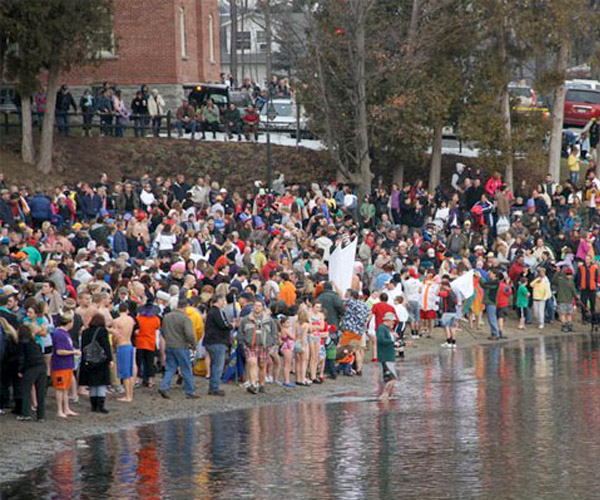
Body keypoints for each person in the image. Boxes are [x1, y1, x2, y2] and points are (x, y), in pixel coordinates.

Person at [158, 298, 198, 399]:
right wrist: (194, 344)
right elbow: (190, 334)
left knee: (170, 368)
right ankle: (190, 392)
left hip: (169, 345)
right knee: (186, 369)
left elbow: (162, 331)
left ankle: (164, 386)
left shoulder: (167, 317)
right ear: (185, 307)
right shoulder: (185, 318)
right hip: (181, 346)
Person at [239, 299, 278, 394]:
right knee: (252, 362)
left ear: (262, 307)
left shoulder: (269, 320)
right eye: (255, 305)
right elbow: (241, 332)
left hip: (264, 345)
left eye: (259, 305)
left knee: (262, 365)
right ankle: (253, 384)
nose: (257, 307)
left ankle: (262, 384)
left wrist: (272, 343)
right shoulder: (246, 319)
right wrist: (242, 342)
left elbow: (274, 332)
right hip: (250, 345)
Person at [80, 313, 113, 414]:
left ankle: (93, 406)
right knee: (101, 383)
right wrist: (110, 359)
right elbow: (106, 346)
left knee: (92, 384)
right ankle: (100, 406)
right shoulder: (102, 331)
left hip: (88, 360)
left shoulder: (85, 332)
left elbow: (83, 347)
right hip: (100, 360)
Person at [50, 313, 80, 418]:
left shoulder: (65, 333)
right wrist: (73, 352)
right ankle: (59, 410)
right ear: (69, 322)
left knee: (65, 388)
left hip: (67, 365)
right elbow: (59, 351)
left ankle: (66, 408)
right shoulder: (59, 334)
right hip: (60, 366)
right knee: (60, 388)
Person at [16, 324, 46, 422]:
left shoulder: (22, 343)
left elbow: (21, 358)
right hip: (41, 365)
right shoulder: (35, 343)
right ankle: (41, 415)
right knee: (40, 392)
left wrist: (20, 370)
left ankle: (26, 413)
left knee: (26, 390)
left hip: (31, 368)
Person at [204, 294, 232, 396]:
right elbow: (223, 325)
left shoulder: (210, 311)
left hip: (210, 341)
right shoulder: (217, 311)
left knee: (214, 365)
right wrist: (232, 325)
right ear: (218, 301)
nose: (224, 302)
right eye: (223, 300)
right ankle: (214, 387)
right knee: (218, 365)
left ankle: (213, 386)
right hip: (217, 341)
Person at [110, 303, 135, 402]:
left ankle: (127, 396)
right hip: (129, 344)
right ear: (127, 310)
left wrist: (113, 345)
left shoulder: (116, 321)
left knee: (124, 373)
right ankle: (130, 394)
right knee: (129, 372)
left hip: (122, 345)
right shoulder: (131, 320)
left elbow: (115, 336)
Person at [376, 312, 398, 402]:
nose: (393, 323)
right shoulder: (382, 328)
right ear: (388, 320)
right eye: (393, 321)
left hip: (389, 356)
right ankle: (384, 395)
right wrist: (392, 342)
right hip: (386, 357)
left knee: (390, 377)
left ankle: (386, 394)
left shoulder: (386, 329)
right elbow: (381, 340)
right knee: (392, 378)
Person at [553, 267, 578, 332]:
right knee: (563, 313)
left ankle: (569, 326)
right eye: (568, 274)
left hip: (569, 300)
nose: (569, 276)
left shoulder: (571, 280)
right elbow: (553, 281)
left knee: (569, 313)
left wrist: (576, 296)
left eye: (570, 275)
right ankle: (564, 326)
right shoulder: (560, 280)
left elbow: (573, 289)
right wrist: (557, 273)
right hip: (562, 300)